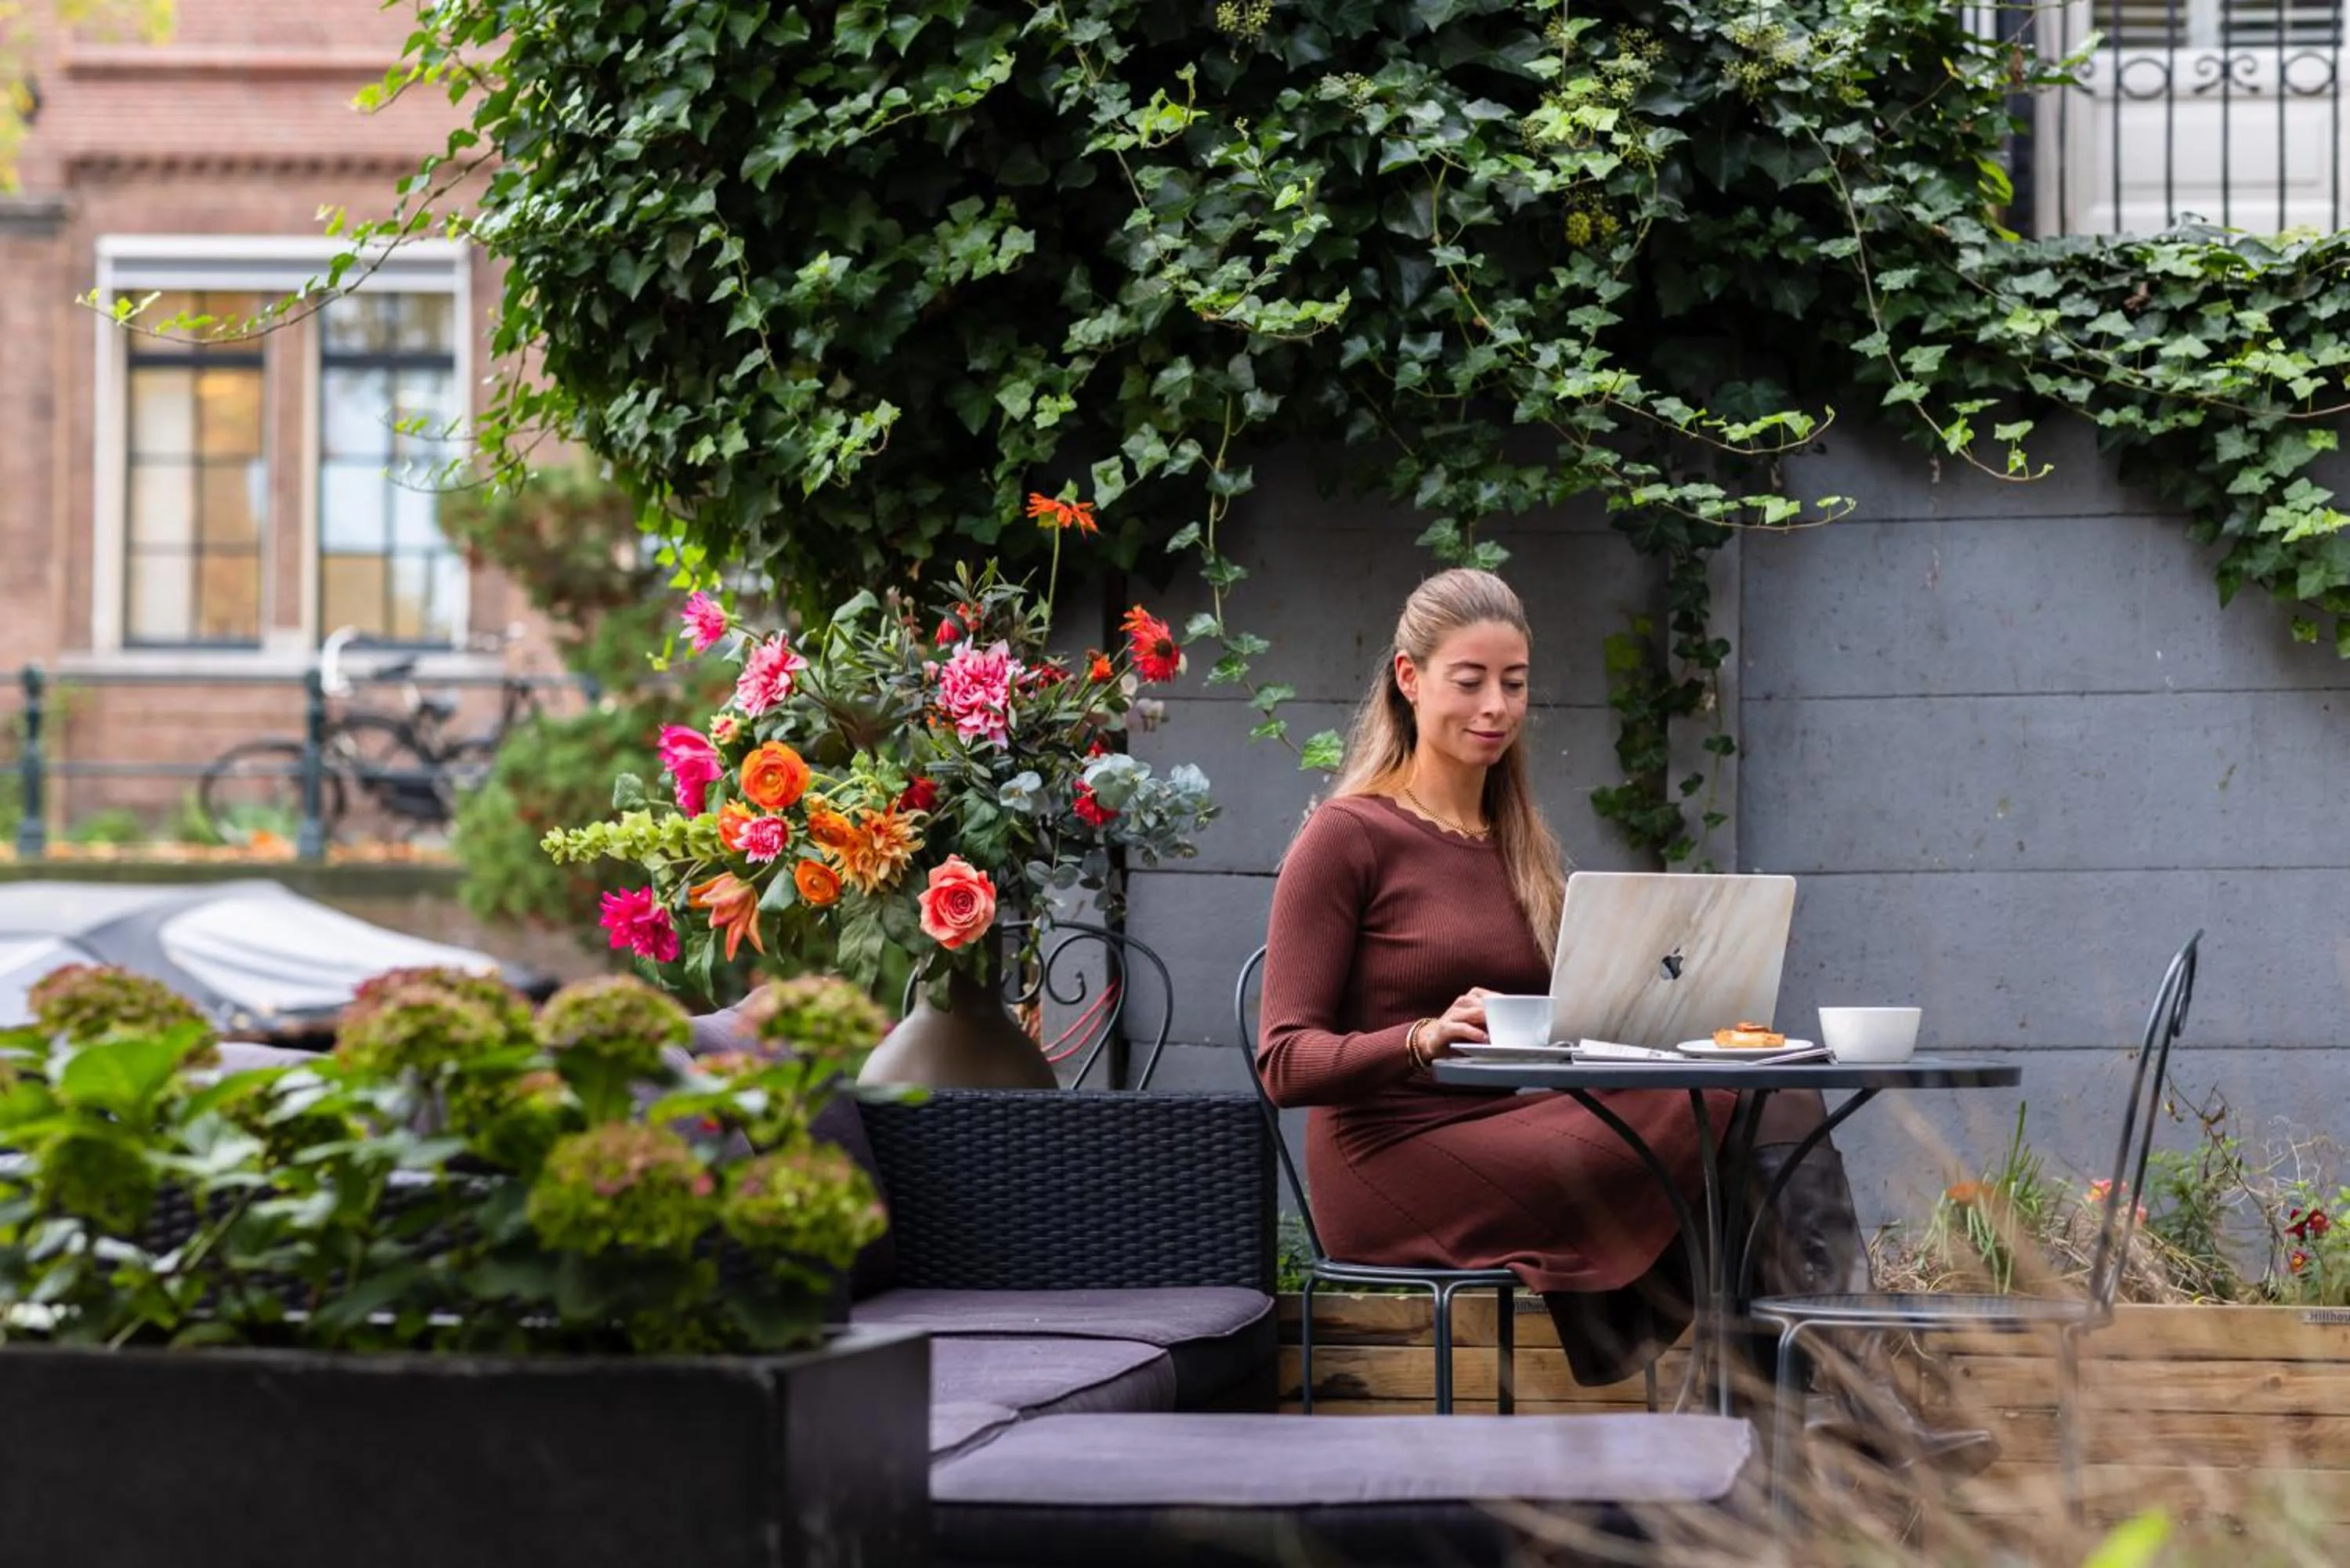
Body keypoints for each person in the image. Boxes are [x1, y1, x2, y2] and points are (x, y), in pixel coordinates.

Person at [1256, 565, 1992, 1476]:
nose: (1496, 705)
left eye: (1515, 682)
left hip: (1502, 1125)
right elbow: (1283, 1062)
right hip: (1391, 1159)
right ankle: (1830, 1404)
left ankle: (1778, 1423)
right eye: (1470, 679)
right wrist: (1419, 1036)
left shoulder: (1514, 836)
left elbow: (1556, 1019)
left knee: (1763, 1090)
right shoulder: (1347, 836)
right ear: (1410, 680)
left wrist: (1641, 1008)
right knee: (1740, 1111)